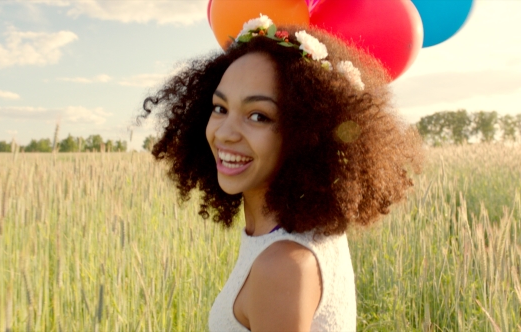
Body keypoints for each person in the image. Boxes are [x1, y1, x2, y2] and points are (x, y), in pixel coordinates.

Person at [141, 15, 422, 332]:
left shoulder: (282, 266)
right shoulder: (305, 232)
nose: (225, 133)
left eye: (258, 116)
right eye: (220, 108)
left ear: (306, 133)